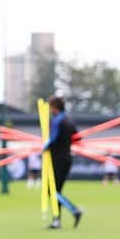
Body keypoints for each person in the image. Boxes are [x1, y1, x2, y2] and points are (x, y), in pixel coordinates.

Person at [44, 96, 82, 229]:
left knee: (52, 191)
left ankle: (74, 211)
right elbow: (78, 137)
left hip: (58, 159)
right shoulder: (69, 121)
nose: (49, 110)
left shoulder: (57, 121)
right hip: (67, 158)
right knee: (56, 191)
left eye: (50, 107)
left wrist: (45, 147)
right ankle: (57, 220)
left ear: (55, 107)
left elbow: (52, 139)